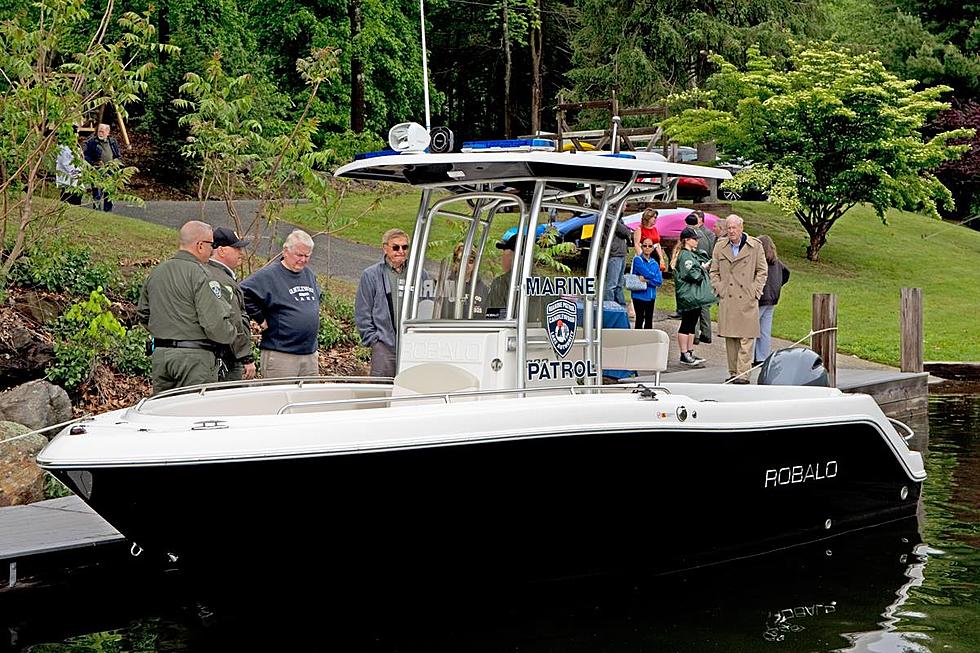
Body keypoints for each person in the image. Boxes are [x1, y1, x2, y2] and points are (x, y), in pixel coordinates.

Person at [137, 221, 238, 394]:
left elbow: (144, 313)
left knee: (165, 412)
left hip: (162, 356)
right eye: (211, 245)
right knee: (195, 414)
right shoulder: (202, 274)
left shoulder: (157, 272)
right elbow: (215, 324)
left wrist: (167, 331)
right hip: (195, 359)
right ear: (200, 245)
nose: (212, 250)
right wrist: (232, 334)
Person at [241, 229, 322, 378]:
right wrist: (259, 317)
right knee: (280, 398)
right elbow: (241, 292)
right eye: (299, 255)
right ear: (286, 251)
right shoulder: (269, 275)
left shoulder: (308, 274)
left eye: (307, 256)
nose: (303, 260)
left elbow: (317, 298)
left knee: (308, 399)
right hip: (281, 354)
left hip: (309, 354)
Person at [709, 214, 768, 384]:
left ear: (742, 228)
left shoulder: (755, 246)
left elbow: (762, 271)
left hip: (747, 298)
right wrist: (720, 288)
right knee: (731, 338)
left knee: (747, 337)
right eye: (729, 228)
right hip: (728, 298)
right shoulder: (720, 246)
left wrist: (755, 290)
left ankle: (743, 374)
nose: (731, 231)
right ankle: (734, 372)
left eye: (734, 227)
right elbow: (714, 270)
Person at [355, 228, 412, 377]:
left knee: (409, 390)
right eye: (396, 247)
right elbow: (363, 311)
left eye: (405, 247)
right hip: (384, 346)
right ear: (385, 248)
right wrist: (374, 340)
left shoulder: (418, 274)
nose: (401, 251)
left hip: (411, 346)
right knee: (380, 392)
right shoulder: (371, 275)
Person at [207, 227, 257, 382]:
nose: (241, 252)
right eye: (236, 248)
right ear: (221, 250)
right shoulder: (220, 279)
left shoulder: (211, 273)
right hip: (226, 357)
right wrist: (246, 357)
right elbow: (233, 319)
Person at [672, 227, 716, 366]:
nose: (696, 241)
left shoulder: (692, 254)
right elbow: (691, 274)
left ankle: (690, 351)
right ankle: (684, 353)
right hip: (688, 295)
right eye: (694, 239)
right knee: (686, 324)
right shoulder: (685, 255)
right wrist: (703, 269)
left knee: (691, 324)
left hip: (694, 295)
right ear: (687, 240)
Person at [755, 235, 791, 365]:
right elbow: (787, 273)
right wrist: (778, 285)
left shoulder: (759, 261)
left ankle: (751, 356)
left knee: (752, 328)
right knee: (765, 330)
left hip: (761, 298)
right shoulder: (777, 262)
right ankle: (762, 357)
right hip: (773, 299)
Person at [687, 210, 717, 345]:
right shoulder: (708, 234)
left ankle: (694, 334)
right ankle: (706, 332)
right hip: (707, 269)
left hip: (698, 269)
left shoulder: (694, 236)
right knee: (703, 303)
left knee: (695, 302)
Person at [441, 242, 489, 318]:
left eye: (470, 261)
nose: (465, 265)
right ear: (455, 263)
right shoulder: (447, 285)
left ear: (475, 264)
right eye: (461, 261)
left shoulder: (483, 288)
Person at [82, 123, 121, 212]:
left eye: (103, 132)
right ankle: (97, 211)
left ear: (108, 132)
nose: (101, 133)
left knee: (109, 192)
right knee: (97, 192)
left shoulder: (112, 142)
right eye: (99, 131)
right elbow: (86, 156)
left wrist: (114, 164)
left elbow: (118, 156)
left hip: (110, 170)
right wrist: (94, 162)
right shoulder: (92, 142)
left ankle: (108, 211)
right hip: (96, 170)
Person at [629, 237, 663, 329]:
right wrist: (652, 277)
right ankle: (638, 341)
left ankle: (648, 341)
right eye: (645, 245)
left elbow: (659, 281)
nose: (647, 248)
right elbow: (646, 272)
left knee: (649, 320)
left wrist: (647, 280)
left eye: (650, 246)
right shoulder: (637, 260)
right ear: (641, 247)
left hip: (651, 296)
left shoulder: (655, 263)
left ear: (653, 248)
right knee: (639, 319)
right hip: (639, 295)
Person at [605, 216, 635, 308]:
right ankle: (609, 305)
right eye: (624, 204)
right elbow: (624, 231)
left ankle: (621, 305)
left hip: (621, 252)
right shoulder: (610, 218)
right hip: (614, 253)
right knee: (612, 284)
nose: (625, 206)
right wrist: (627, 231)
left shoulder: (619, 219)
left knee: (619, 283)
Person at [55, 129, 82, 205]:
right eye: (76, 133)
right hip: (68, 180)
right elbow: (67, 164)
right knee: (68, 200)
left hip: (74, 181)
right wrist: (77, 175)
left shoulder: (73, 146)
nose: (77, 135)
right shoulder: (63, 148)